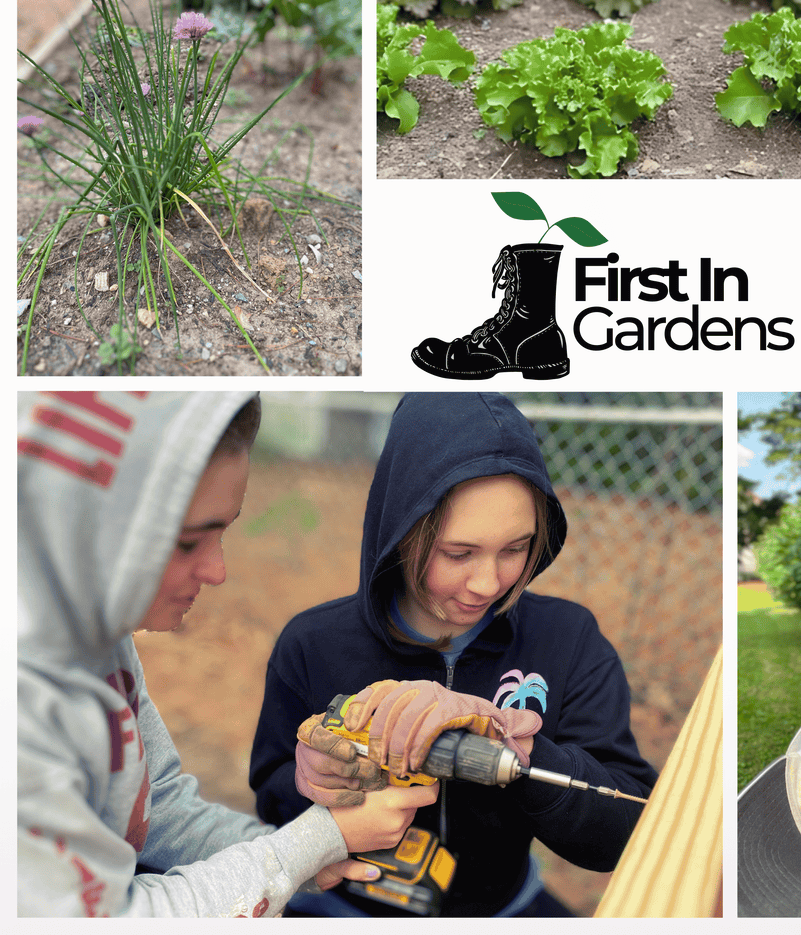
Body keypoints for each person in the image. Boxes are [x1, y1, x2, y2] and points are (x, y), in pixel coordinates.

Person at [18, 392, 436, 917]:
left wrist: (309, 850)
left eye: (224, 531)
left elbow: (158, 807)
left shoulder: (96, 627)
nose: (218, 572)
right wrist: (301, 846)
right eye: (189, 543)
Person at [250, 391, 658, 917]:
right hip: (341, 906)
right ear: (399, 532)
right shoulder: (312, 643)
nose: (487, 583)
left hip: (503, 906)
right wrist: (311, 782)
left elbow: (627, 828)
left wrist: (524, 753)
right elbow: (272, 796)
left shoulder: (568, 638)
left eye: (516, 549)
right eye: (458, 553)